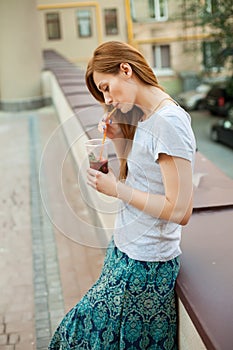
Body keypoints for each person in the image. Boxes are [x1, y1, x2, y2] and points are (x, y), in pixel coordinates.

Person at [48, 41, 196, 349]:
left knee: (76, 336)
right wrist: (117, 139)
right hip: (125, 251)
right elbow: (137, 179)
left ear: (125, 70)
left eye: (106, 87)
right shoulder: (144, 116)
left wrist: (117, 190)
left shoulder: (168, 122)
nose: (106, 98)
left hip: (146, 267)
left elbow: (180, 209)